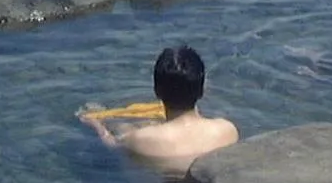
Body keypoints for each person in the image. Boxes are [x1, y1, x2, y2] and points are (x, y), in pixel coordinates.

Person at [79, 45, 238, 170]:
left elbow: (111, 144)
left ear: (156, 91)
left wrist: (95, 124)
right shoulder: (227, 130)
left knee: (122, 127)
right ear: (202, 90)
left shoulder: (139, 139)